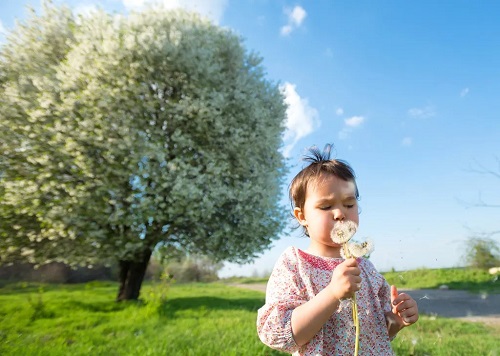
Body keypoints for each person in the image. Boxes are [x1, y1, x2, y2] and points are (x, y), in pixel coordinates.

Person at [257, 144, 419, 355]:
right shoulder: (294, 264)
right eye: (326, 207)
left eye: (349, 205)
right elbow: (278, 333)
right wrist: (333, 293)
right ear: (302, 216)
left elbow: (376, 333)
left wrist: (396, 320)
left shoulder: (366, 268)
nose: (340, 213)